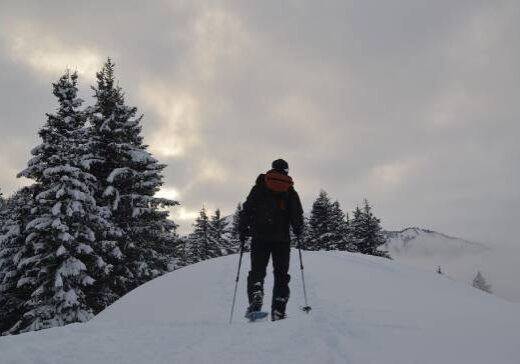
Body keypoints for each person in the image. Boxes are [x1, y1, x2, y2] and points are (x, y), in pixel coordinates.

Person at [239, 159, 304, 321]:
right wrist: (297, 229)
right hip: (282, 239)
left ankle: (256, 294)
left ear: (272, 169)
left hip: (260, 237)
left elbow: (247, 208)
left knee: (257, 271)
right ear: (286, 171)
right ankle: (279, 309)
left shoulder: (260, 186)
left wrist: (243, 229)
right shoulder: (290, 190)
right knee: (281, 274)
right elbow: (297, 213)